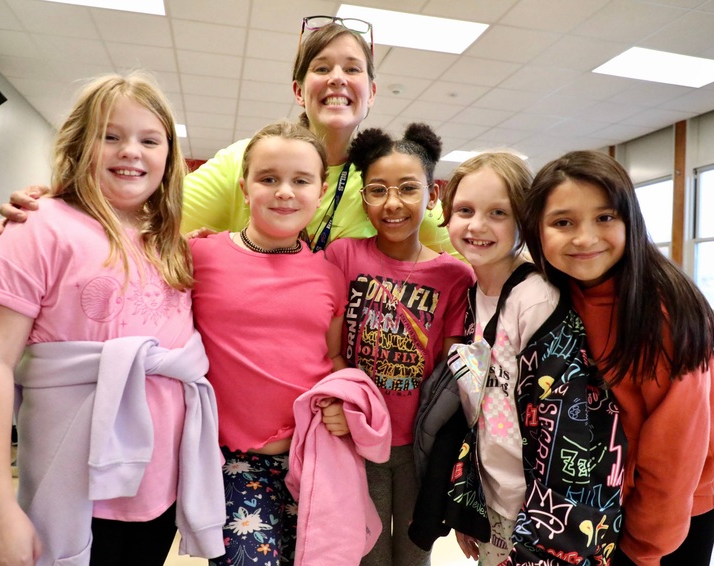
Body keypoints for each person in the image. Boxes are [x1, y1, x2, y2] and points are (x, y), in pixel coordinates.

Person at [0, 72, 225, 566]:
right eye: (110, 136)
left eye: (149, 140)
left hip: (159, 492)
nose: (131, 151)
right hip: (75, 489)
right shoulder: (36, 228)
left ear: (168, 157)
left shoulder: (170, 247)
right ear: (79, 144)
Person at [0, 19, 458, 259]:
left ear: (371, 93)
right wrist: (55, 210)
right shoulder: (246, 162)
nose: (337, 79)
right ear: (299, 89)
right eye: (321, 68)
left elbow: (463, 249)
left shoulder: (385, 183)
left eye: (352, 69)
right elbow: (149, 214)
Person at [409, 151, 626, 564]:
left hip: (544, 522)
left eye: (498, 213)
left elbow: (566, 429)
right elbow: (478, 413)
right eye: (465, 210)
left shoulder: (536, 300)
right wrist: (468, 508)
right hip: (496, 503)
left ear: (523, 222)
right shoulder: (471, 296)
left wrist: (536, 540)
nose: (477, 225)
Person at [190, 119, 389, 566]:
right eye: (268, 179)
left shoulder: (330, 274)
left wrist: (343, 405)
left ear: (320, 193)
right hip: (231, 461)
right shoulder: (200, 256)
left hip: (314, 456)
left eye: (300, 180)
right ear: (244, 188)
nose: (284, 191)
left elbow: (334, 357)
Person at [521, 150, 714, 565]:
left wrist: (644, 549)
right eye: (563, 222)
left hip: (669, 517)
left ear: (631, 221)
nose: (585, 238)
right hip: (598, 505)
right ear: (537, 233)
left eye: (605, 218)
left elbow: (676, 453)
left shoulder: (661, 311)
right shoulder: (556, 296)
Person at [325, 123, 475, 566]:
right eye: (377, 190)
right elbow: (329, 349)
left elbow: (453, 373)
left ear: (432, 196)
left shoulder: (455, 276)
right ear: (363, 196)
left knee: (415, 554)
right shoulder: (343, 256)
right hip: (358, 439)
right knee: (366, 554)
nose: (392, 203)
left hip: (419, 448)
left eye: (408, 189)